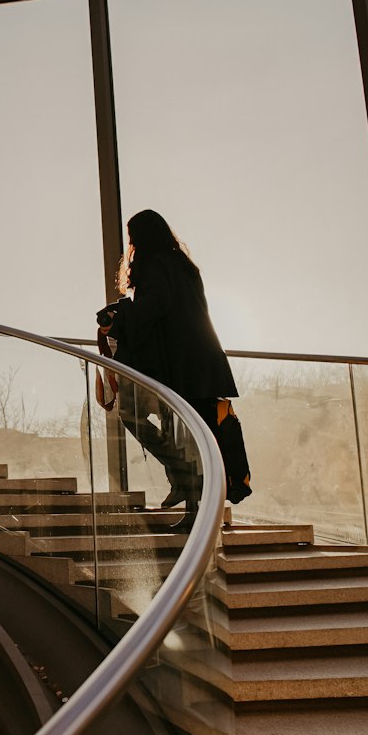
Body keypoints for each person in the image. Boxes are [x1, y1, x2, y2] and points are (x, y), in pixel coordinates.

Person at [97, 209, 237, 528]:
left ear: (142, 238)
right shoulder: (184, 266)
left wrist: (120, 317)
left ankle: (183, 478)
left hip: (175, 362)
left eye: (132, 236)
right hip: (200, 360)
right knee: (193, 432)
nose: (130, 243)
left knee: (130, 412)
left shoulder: (154, 264)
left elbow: (155, 308)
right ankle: (193, 504)